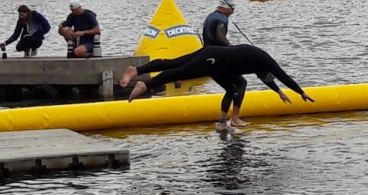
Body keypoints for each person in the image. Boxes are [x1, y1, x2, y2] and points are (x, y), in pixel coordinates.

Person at [120, 44, 316, 131]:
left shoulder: (260, 64)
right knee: (181, 72)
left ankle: (135, 70)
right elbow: (282, 76)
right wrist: (301, 92)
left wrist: (279, 92)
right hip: (215, 59)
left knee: (236, 85)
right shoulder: (266, 61)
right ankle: (145, 83)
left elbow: (270, 80)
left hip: (218, 60)